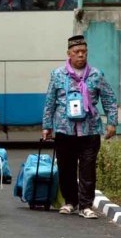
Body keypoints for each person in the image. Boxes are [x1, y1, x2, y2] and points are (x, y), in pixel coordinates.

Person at [42, 35, 117, 219]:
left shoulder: (96, 75)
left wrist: (112, 122)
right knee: (66, 168)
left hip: (89, 130)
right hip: (63, 129)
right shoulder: (58, 74)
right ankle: (70, 202)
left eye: (84, 52)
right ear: (69, 54)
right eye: (77, 52)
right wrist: (47, 126)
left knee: (87, 169)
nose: (81, 55)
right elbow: (50, 101)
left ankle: (85, 205)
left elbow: (109, 98)